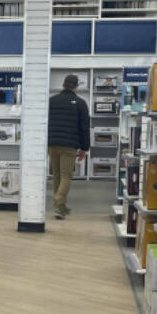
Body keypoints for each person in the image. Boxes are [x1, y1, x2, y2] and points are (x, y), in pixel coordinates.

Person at [47, 74, 90, 219]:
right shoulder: (80, 103)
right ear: (76, 87)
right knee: (66, 175)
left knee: (57, 175)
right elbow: (84, 127)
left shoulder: (51, 101)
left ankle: (60, 207)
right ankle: (59, 203)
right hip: (69, 145)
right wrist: (85, 148)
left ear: (63, 84)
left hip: (52, 144)